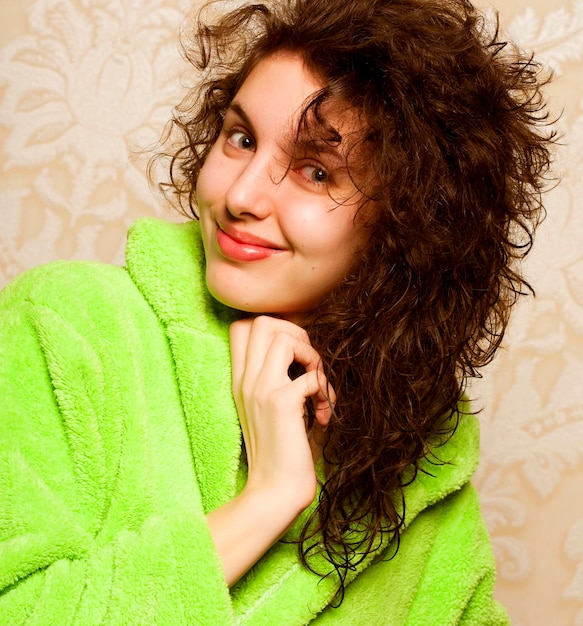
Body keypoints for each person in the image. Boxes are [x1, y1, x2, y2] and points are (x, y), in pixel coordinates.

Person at [0, 0, 555, 623]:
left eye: (316, 171)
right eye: (241, 139)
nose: (240, 195)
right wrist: (268, 497)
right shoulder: (70, 326)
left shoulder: (422, 464)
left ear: (409, 224)